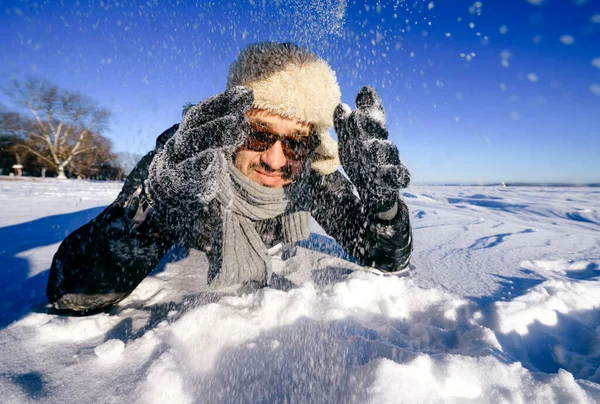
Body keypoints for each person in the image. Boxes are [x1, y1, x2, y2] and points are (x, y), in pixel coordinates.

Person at [46, 42, 413, 313]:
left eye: (297, 143)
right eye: (258, 134)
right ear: (231, 125)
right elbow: (72, 293)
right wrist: (157, 204)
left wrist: (382, 207)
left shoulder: (310, 178)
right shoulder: (184, 164)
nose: (274, 159)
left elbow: (384, 257)